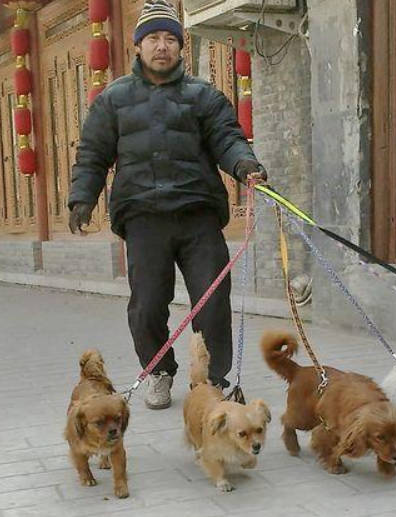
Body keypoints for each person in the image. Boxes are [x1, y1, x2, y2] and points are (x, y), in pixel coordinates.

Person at [67, 0, 266, 410]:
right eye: (153, 38)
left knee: (212, 303)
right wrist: (82, 196)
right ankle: (158, 371)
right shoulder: (113, 99)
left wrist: (244, 164)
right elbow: (92, 154)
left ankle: (210, 380)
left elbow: (227, 137)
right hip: (143, 219)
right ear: (138, 47)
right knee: (146, 307)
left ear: (180, 46)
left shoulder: (203, 96)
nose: (162, 46)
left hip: (198, 216)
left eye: (170, 39)